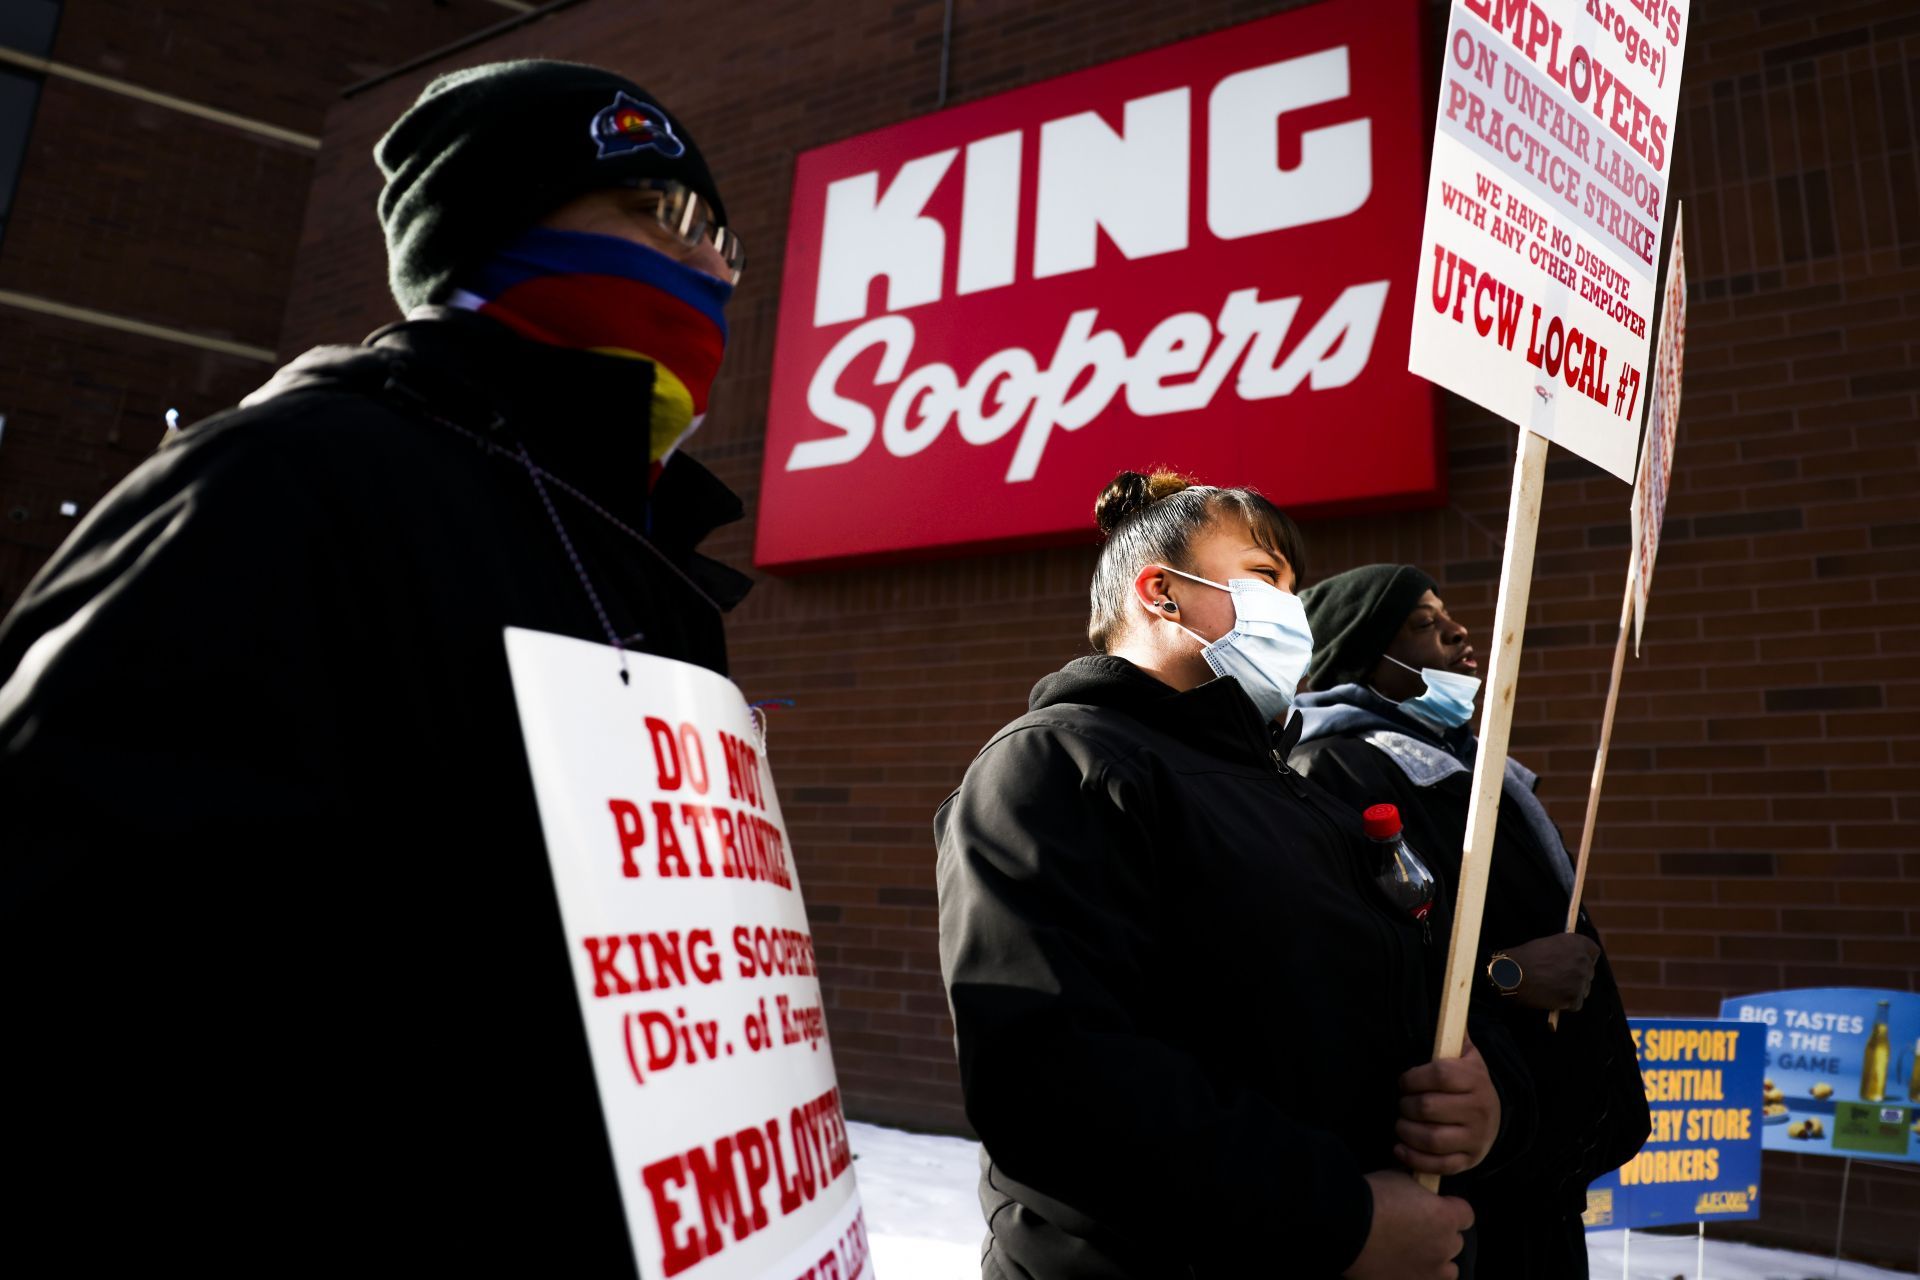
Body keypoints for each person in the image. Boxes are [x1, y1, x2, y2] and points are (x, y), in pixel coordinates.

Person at [0, 61, 749, 1272]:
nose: (713, 265)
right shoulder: (279, 485)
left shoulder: (640, 555)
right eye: (658, 213)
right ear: (492, 223)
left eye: (722, 236)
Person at [935, 471, 1532, 1280]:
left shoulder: (1298, 792)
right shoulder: (1054, 765)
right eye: (1265, 576)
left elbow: (1395, 989)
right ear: (1162, 594)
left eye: (1295, 583)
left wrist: (1476, 1095)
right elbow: (1052, 1080)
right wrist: (1338, 1221)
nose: (1293, 607)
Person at [1290, 565, 1650, 1279]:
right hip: (1457, 1186)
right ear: (1361, 658)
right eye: (1422, 624)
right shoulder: (1332, 769)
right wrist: (1506, 978)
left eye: (1446, 615)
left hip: (1535, 1154)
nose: (1457, 632)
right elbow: (1359, 968)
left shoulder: (1474, 766)